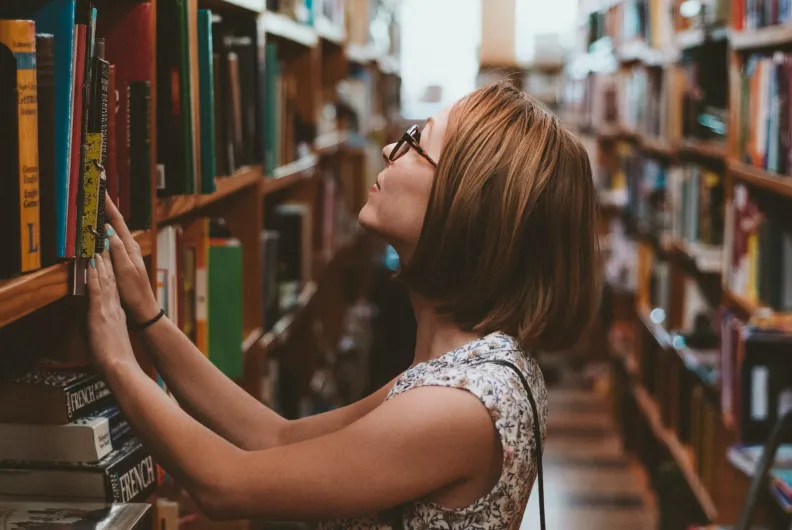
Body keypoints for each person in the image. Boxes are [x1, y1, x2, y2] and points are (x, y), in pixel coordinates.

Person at [87, 81, 599, 529]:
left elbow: (225, 485)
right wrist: (150, 320)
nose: (386, 149)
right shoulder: (465, 370)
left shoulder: (459, 404)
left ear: (466, 203)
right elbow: (274, 437)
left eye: (414, 142)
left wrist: (116, 359)